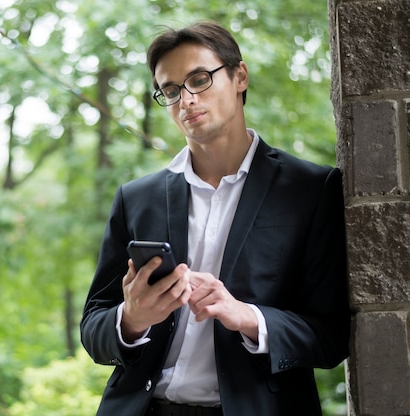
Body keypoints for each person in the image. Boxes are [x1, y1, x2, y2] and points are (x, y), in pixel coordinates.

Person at [80, 21, 351, 416]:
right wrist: (131, 320)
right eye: (170, 90)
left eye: (199, 79)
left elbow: (331, 337)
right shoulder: (137, 199)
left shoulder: (311, 189)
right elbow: (92, 328)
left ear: (239, 76)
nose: (185, 100)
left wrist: (247, 317)